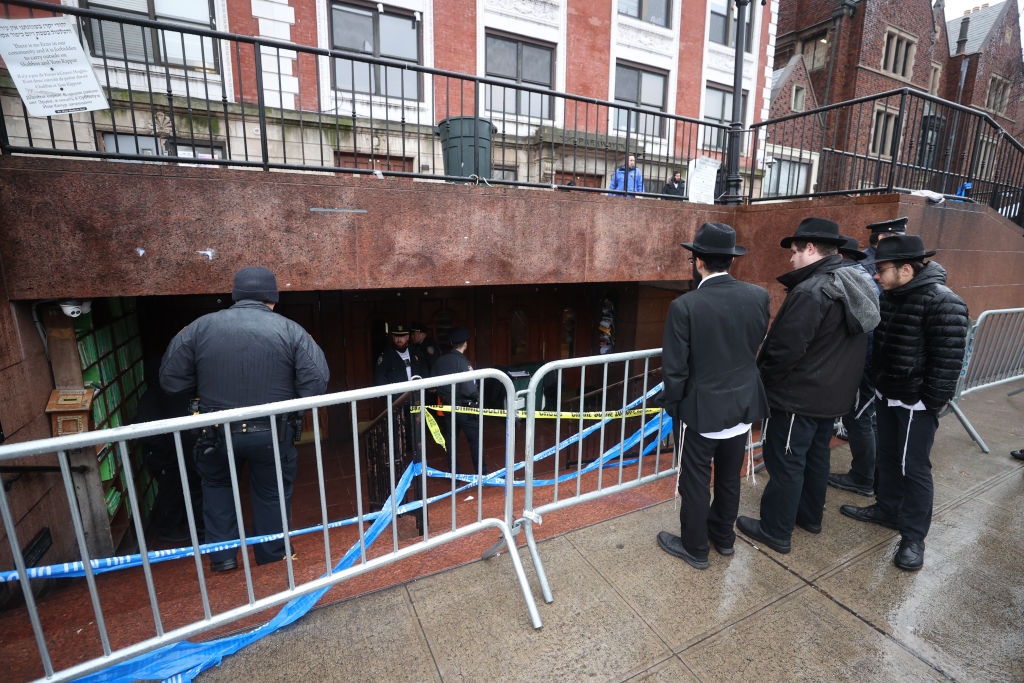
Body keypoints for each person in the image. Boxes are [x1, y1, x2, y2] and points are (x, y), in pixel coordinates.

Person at [160, 266, 329, 571]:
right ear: (273, 299)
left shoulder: (199, 327)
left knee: (217, 489)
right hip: (272, 433)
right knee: (271, 492)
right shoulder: (291, 329)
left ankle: (223, 558)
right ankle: (273, 555)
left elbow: (171, 379)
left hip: (213, 432)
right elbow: (316, 382)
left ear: (235, 296)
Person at [736, 217, 879, 554]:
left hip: (798, 398)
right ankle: (809, 517)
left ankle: (775, 530)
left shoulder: (813, 290)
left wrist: (763, 384)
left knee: (786, 463)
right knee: (816, 458)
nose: (791, 259)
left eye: (796, 252)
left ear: (811, 248)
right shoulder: (852, 281)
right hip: (831, 397)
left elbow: (784, 350)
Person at [840, 234, 968, 571]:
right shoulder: (892, 295)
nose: (877, 276)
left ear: (906, 269)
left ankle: (913, 537)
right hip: (888, 394)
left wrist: (929, 402)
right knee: (888, 458)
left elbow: (948, 362)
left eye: (882, 269)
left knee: (913, 468)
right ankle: (886, 508)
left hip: (916, 404)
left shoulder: (944, 302)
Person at [656, 222, 770, 570]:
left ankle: (695, 547)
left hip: (701, 411)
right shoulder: (758, 296)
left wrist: (672, 405)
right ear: (730, 260)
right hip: (741, 407)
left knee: (695, 482)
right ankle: (723, 538)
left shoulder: (685, 306)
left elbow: (674, 371)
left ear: (699, 262)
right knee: (728, 478)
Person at [828, 236, 881, 497]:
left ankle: (862, 477)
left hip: (861, 365)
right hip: (866, 362)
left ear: (839, 254)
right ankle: (867, 474)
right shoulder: (863, 274)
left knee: (859, 419)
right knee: (863, 419)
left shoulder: (847, 278)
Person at [432, 327, 488, 475]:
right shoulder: (464, 363)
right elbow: (470, 389)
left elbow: (432, 386)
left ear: (451, 343)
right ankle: (482, 474)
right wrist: (478, 398)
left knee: (451, 442)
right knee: (475, 441)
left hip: (447, 408)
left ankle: (454, 475)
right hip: (465, 409)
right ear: (465, 344)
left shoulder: (440, 361)